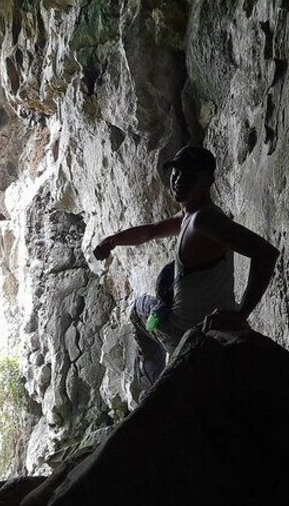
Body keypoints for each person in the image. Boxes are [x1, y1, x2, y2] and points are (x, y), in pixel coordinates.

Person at [92, 145, 279, 386]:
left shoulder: (204, 220)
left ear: (207, 180)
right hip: (216, 323)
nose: (178, 180)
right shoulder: (189, 217)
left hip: (184, 332)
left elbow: (266, 254)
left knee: (139, 309)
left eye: (189, 175)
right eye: (176, 172)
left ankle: (154, 381)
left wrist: (242, 314)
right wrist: (113, 240)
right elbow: (151, 232)